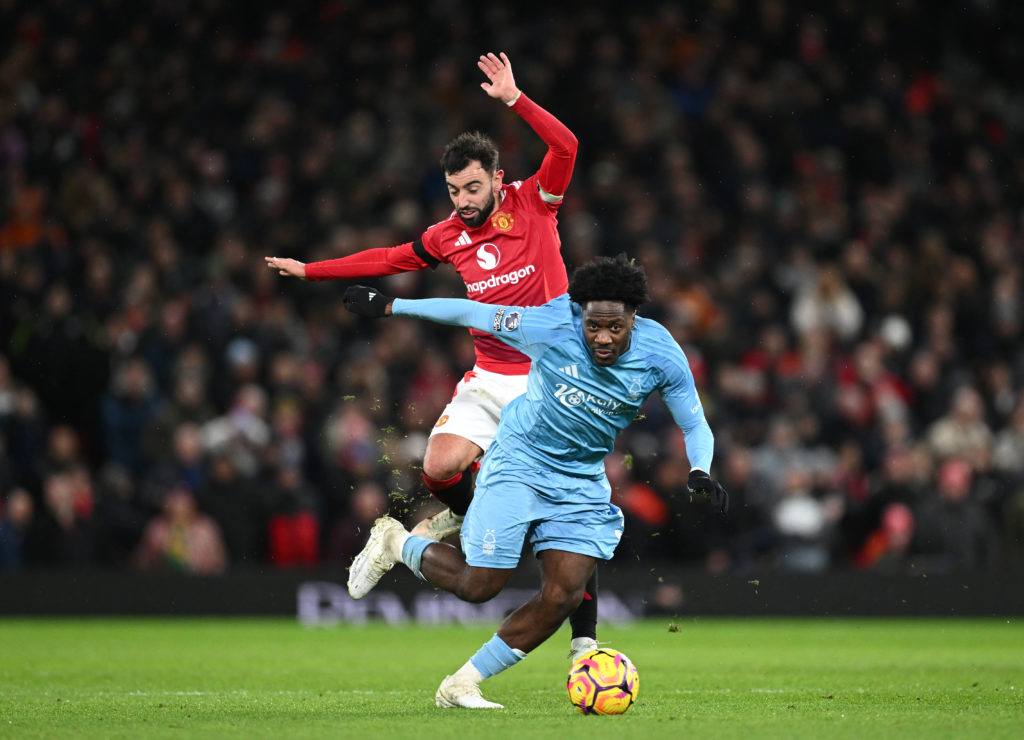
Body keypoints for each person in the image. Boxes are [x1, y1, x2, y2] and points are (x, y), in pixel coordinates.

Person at [264, 53, 603, 657]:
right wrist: (311, 270)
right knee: (440, 466)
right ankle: (463, 520)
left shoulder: (535, 202)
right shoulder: (449, 235)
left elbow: (569, 145)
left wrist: (514, 99)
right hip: (492, 374)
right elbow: (389, 259)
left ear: (497, 178)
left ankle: (585, 646)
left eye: (473, 187)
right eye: (453, 191)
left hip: (552, 383)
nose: (464, 200)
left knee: (570, 505)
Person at [341, 255, 728, 709]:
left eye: (615, 328)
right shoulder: (549, 323)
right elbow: (472, 312)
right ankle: (394, 543)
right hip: (520, 464)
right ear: (580, 314)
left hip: (581, 479)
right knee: (479, 586)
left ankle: (462, 683)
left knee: (563, 592)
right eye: (594, 326)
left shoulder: (661, 352)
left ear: (633, 319)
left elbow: (695, 421)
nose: (602, 337)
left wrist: (701, 467)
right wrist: (393, 307)